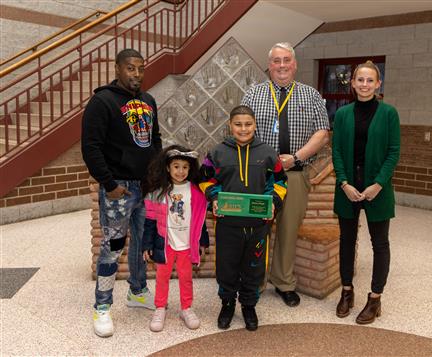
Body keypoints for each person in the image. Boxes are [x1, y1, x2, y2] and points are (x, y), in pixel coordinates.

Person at [241, 42, 330, 307]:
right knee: (257, 229)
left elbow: (323, 133)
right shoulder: (253, 94)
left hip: (295, 173)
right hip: (261, 175)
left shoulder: (311, 94)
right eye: (277, 61)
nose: (282, 65)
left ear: (295, 64)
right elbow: (242, 130)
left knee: (289, 231)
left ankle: (284, 282)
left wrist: (296, 158)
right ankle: (253, 281)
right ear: (269, 65)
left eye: (287, 60)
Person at [81, 48, 161, 337]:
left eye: (140, 68)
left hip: (145, 188)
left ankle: (138, 292)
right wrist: (109, 184)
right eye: (130, 68)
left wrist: (156, 175)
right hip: (119, 189)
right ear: (117, 69)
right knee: (112, 249)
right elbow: (90, 148)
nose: (136, 74)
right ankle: (102, 307)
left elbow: (156, 140)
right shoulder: (102, 102)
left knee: (141, 243)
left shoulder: (149, 100)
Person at [200, 105, 287, 331]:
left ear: (255, 125)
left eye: (248, 124)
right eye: (238, 124)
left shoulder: (268, 153)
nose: (243, 129)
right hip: (228, 224)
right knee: (227, 266)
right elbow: (204, 179)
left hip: (258, 225)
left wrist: (273, 204)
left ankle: (249, 305)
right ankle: (227, 304)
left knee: (255, 266)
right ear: (230, 126)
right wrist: (215, 198)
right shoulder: (217, 153)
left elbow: (280, 182)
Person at [332, 60, 400, 324]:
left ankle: (375, 299)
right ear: (352, 83)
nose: (364, 84)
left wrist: (378, 184)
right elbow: (336, 150)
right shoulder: (343, 114)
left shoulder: (389, 113)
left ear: (378, 84)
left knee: (380, 243)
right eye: (360, 79)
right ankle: (347, 292)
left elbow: (393, 152)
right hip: (348, 187)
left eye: (370, 80)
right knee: (346, 241)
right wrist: (344, 183)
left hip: (377, 188)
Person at [141, 145, 207, 332]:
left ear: (190, 169)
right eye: (176, 166)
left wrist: (202, 241)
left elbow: (200, 219)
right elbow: (150, 221)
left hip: (186, 244)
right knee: (162, 277)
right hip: (166, 243)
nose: (180, 171)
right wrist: (147, 244)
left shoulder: (196, 192)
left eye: (185, 167)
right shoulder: (158, 192)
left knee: (186, 278)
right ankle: (160, 307)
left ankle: (186, 308)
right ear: (168, 168)